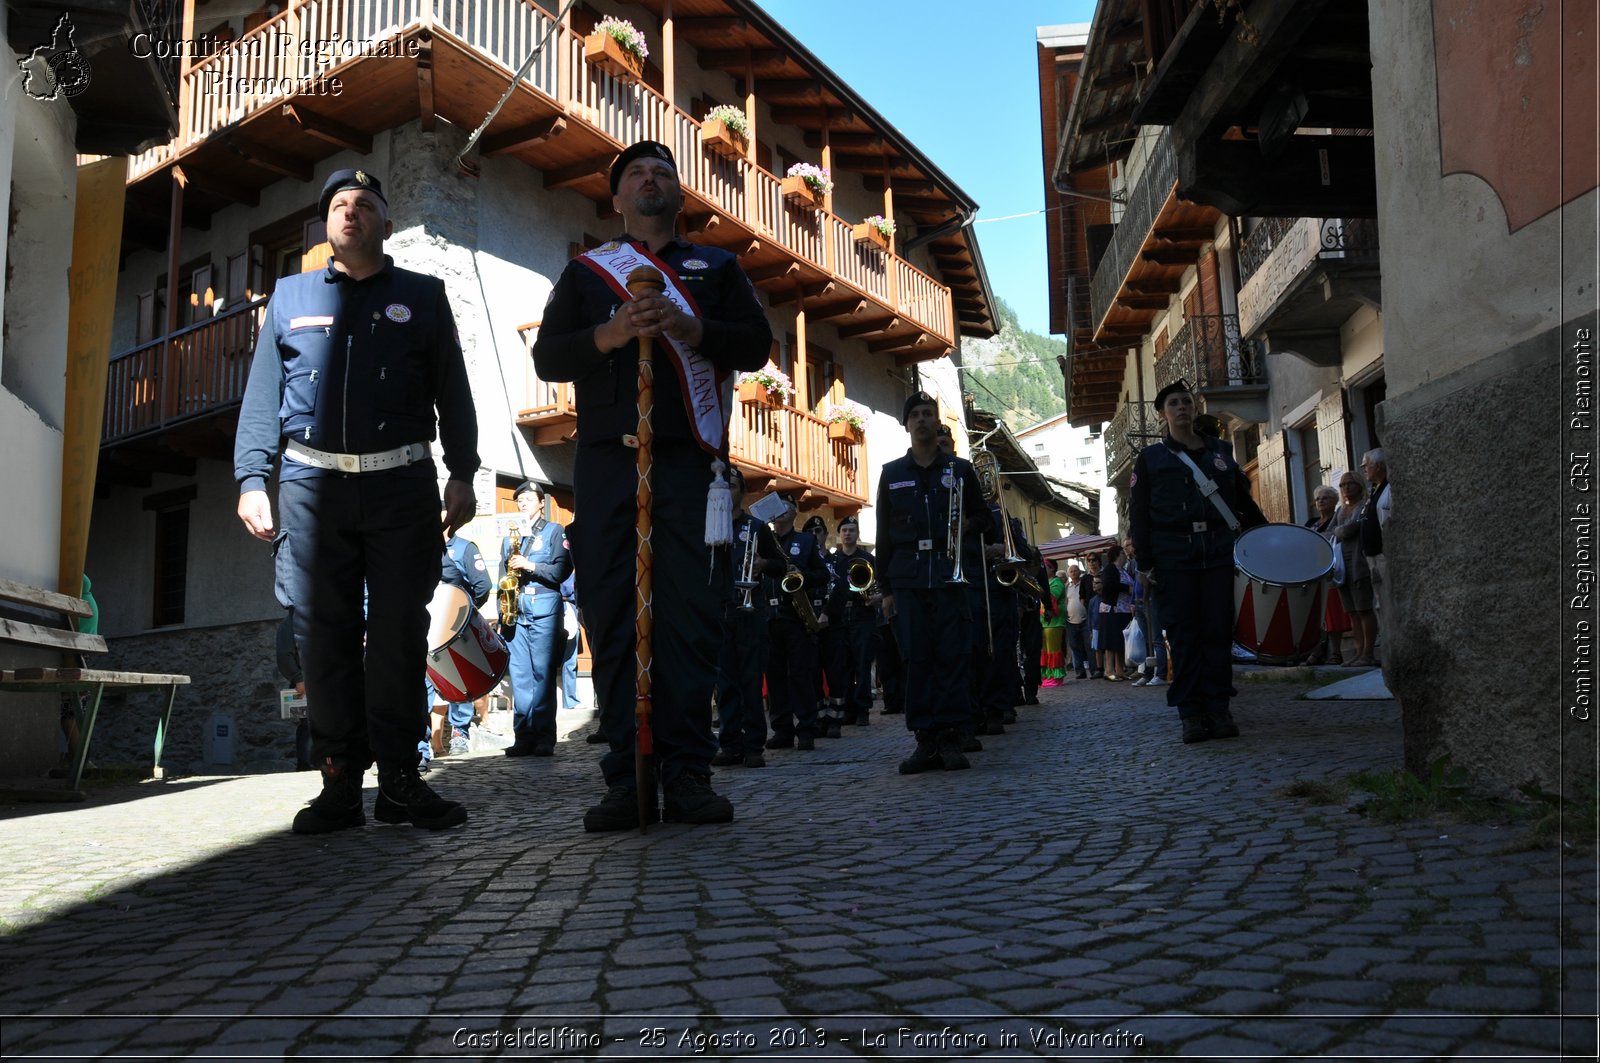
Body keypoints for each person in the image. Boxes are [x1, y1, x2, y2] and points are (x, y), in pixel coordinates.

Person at [530, 140, 772, 830]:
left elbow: (754, 344)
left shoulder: (717, 267)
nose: (650, 180)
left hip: (691, 462)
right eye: (636, 173)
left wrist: (692, 328)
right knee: (611, 609)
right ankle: (623, 777)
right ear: (616, 198)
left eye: (662, 172)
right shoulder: (586, 275)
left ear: (677, 193)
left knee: (690, 615)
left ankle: (688, 772)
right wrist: (608, 335)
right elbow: (549, 355)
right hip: (609, 461)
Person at [235, 167, 478, 833]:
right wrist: (252, 479)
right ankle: (340, 780)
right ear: (326, 227)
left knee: (399, 635)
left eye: (365, 204)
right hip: (313, 490)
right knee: (323, 638)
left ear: (385, 224)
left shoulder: (423, 297)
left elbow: (452, 391)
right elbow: (261, 400)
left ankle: (400, 779)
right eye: (340, 205)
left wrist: (463, 471)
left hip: (401, 487)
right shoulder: (289, 296)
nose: (351, 213)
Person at [1128, 379, 1267, 744]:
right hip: (1173, 556)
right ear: (1163, 414)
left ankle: (1219, 709)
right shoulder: (1150, 459)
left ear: (1195, 408)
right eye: (1173, 403)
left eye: (1186, 401)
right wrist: (1145, 564)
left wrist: (1267, 539)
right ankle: (1191, 714)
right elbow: (1139, 515)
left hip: (1218, 551)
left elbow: (1243, 501)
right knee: (1184, 637)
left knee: (1218, 633)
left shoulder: (1220, 452)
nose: (1181, 407)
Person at [875, 392, 991, 773]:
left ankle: (950, 736)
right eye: (916, 415)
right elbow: (883, 538)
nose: (922, 420)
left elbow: (984, 518)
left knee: (952, 658)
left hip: (948, 575)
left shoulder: (959, 470)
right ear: (907, 424)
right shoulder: (892, 473)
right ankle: (924, 740)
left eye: (928, 414)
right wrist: (886, 590)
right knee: (917, 659)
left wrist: (962, 524)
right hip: (907, 579)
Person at [712, 466, 785, 768]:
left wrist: (763, 562)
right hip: (720, 611)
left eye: (731, 485)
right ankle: (730, 745)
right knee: (725, 683)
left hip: (751, 612)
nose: (726, 491)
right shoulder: (709, 527)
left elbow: (781, 565)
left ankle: (754, 745)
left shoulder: (756, 527)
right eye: (721, 486)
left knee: (751, 682)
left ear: (741, 491)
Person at [501, 480, 572, 757]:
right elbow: (503, 575)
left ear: (541, 503)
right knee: (519, 676)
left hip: (543, 607)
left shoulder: (555, 532)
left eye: (529, 500)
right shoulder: (511, 536)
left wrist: (530, 565)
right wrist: (503, 609)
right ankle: (523, 736)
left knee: (542, 675)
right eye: (520, 501)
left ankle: (544, 737)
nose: (523, 504)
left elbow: (561, 571)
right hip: (516, 610)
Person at [765, 501, 830, 749]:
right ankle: (782, 730)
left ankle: (806, 729)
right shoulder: (765, 539)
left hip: (795, 616)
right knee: (775, 676)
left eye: (784, 506)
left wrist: (801, 577)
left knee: (801, 674)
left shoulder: (804, 541)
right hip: (769, 616)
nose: (779, 510)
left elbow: (823, 574)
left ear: (793, 513)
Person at [429, 519, 493, 757]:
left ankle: (460, 732)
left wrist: (465, 612)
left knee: (459, 676)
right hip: (428, 623)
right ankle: (425, 742)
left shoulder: (464, 548)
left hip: (454, 623)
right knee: (430, 680)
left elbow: (482, 585)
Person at [823, 515, 880, 726]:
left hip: (862, 614)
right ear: (839, 534)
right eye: (844, 530)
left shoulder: (868, 558)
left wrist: (878, 597)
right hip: (839, 617)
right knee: (842, 664)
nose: (848, 533)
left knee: (862, 663)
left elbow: (880, 584)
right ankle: (847, 708)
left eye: (852, 530)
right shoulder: (832, 561)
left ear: (857, 534)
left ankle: (862, 708)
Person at [1333, 471, 1379, 666]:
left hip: (1359, 562)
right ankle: (1358, 652)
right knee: (1352, 611)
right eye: (1342, 485)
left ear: (1360, 485)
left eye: (1350, 483)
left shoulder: (1364, 506)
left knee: (1364, 609)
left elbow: (1348, 529)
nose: (1346, 488)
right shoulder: (1340, 511)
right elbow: (1332, 532)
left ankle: (1368, 653)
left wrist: (1339, 531)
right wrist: (1338, 531)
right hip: (1342, 565)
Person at [1304, 485, 1350, 666]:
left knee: (1332, 612)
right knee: (1316, 615)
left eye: (1325, 498)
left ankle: (1335, 653)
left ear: (1335, 501)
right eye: (1318, 499)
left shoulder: (1338, 518)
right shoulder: (1311, 523)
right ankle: (1317, 651)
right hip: (1312, 572)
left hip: (1332, 571)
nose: (1321, 501)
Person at [1360, 448, 1393, 656]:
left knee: (1388, 598)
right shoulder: (1374, 490)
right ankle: (1388, 643)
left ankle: (1393, 642)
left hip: (1383, 554)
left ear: (1378, 465)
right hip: (1371, 556)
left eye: (1366, 465)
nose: (1364, 468)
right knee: (1379, 602)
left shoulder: (1388, 488)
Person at [1124, 537, 1168, 687]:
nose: (1127, 549)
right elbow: (1136, 583)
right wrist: (1133, 603)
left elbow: (1146, 581)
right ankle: (1147, 674)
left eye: (1129, 545)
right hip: (1139, 604)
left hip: (1149, 601)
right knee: (1145, 640)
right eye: (1125, 547)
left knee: (1155, 639)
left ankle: (1161, 674)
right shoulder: (1133, 563)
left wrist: (1143, 597)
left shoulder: (1147, 560)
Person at [558, 571, 584, 713]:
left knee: (570, 659)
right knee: (570, 659)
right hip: (566, 610)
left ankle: (571, 699)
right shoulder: (568, 565)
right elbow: (568, 589)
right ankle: (571, 700)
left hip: (569, 611)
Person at [1040, 561, 1067, 687]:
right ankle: (1047, 674)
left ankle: (1057, 676)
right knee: (1045, 651)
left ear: (1052, 569)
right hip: (1044, 622)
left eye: (1044, 567)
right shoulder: (1045, 582)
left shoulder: (1057, 583)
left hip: (1054, 622)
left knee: (1053, 650)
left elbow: (1051, 597)